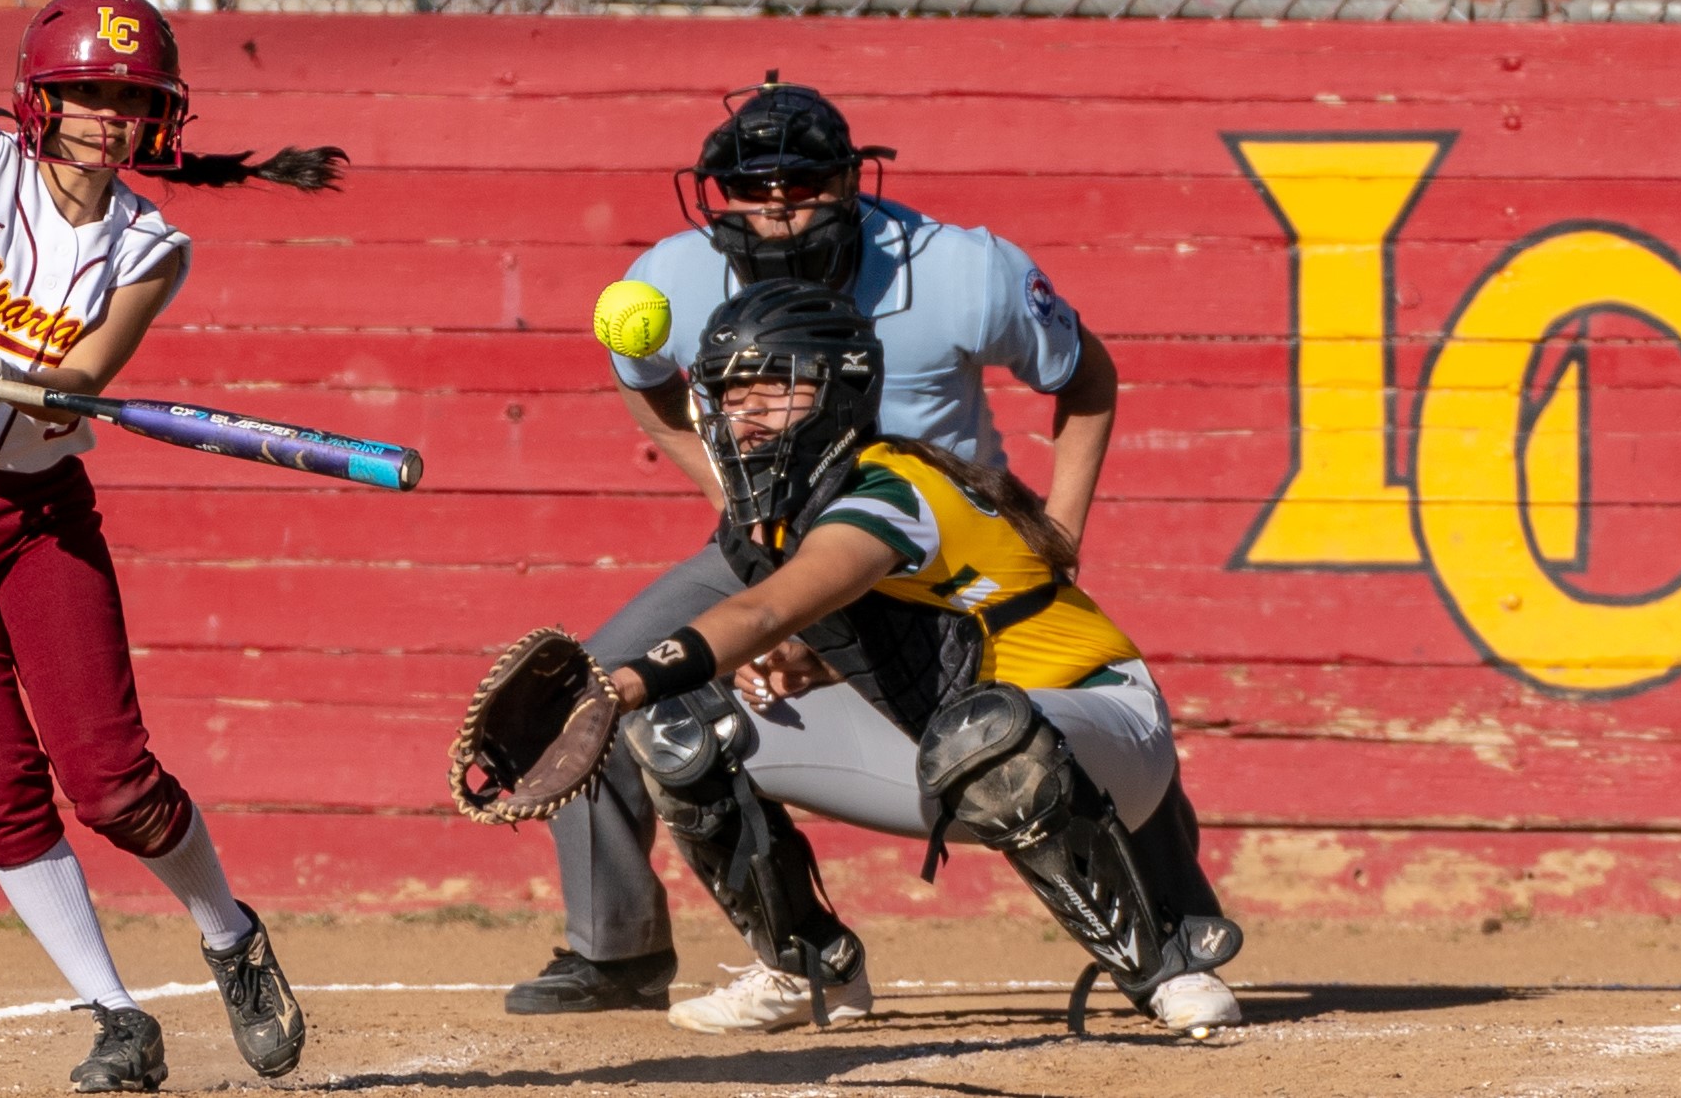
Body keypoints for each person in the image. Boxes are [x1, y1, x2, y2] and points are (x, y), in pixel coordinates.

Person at [0, 0, 344, 1091]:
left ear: (160, 118)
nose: (108, 117)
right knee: (1, 787)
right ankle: (116, 1015)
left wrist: (14, 382)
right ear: (39, 97)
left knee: (115, 788)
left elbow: (83, 378)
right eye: (88, 94)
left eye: (131, 100)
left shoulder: (151, 247)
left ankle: (230, 933)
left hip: (41, 516)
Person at [507, 73, 1124, 1018]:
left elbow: (1085, 374)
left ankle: (1167, 918)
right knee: (589, 689)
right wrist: (734, 497)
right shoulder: (669, 279)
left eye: (801, 181)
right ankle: (617, 947)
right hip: (774, 543)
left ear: (849, 180)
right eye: (749, 188)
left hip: (936, 552)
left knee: (1050, 718)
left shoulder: (958, 268)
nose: (776, 204)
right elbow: (642, 374)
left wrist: (1059, 535)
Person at [605, 280, 1244, 1035]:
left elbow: (765, 611)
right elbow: (939, 639)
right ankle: (807, 965)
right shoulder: (773, 517)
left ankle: (1166, 965)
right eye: (728, 395)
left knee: (984, 733)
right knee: (676, 724)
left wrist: (620, 680)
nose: (743, 417)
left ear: (838, 393)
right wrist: (816, 665)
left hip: (1104, 727)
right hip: (959, 738)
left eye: (770, 391)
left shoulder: (891, 488)